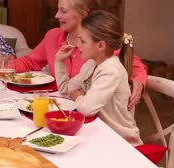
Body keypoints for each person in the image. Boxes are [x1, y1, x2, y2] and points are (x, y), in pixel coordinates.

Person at [8, 0, 146, 110]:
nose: (56, 16)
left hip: (92, 115)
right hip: (63, 106)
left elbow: (132, 64)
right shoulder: (53, 36)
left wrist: (138, 81)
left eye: (63, 11)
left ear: (83, 15)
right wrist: (3, 66)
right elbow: (30, 62)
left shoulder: (102, 46)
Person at [55, 10, 143, 146]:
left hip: (121, 142)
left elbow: (87, 108)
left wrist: (79, 96)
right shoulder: (92, 64)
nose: (77, 45)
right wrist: (59, 62)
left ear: (101, 45)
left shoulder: (111, 70)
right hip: (99, 132)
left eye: (83, 41)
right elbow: (66, 89)